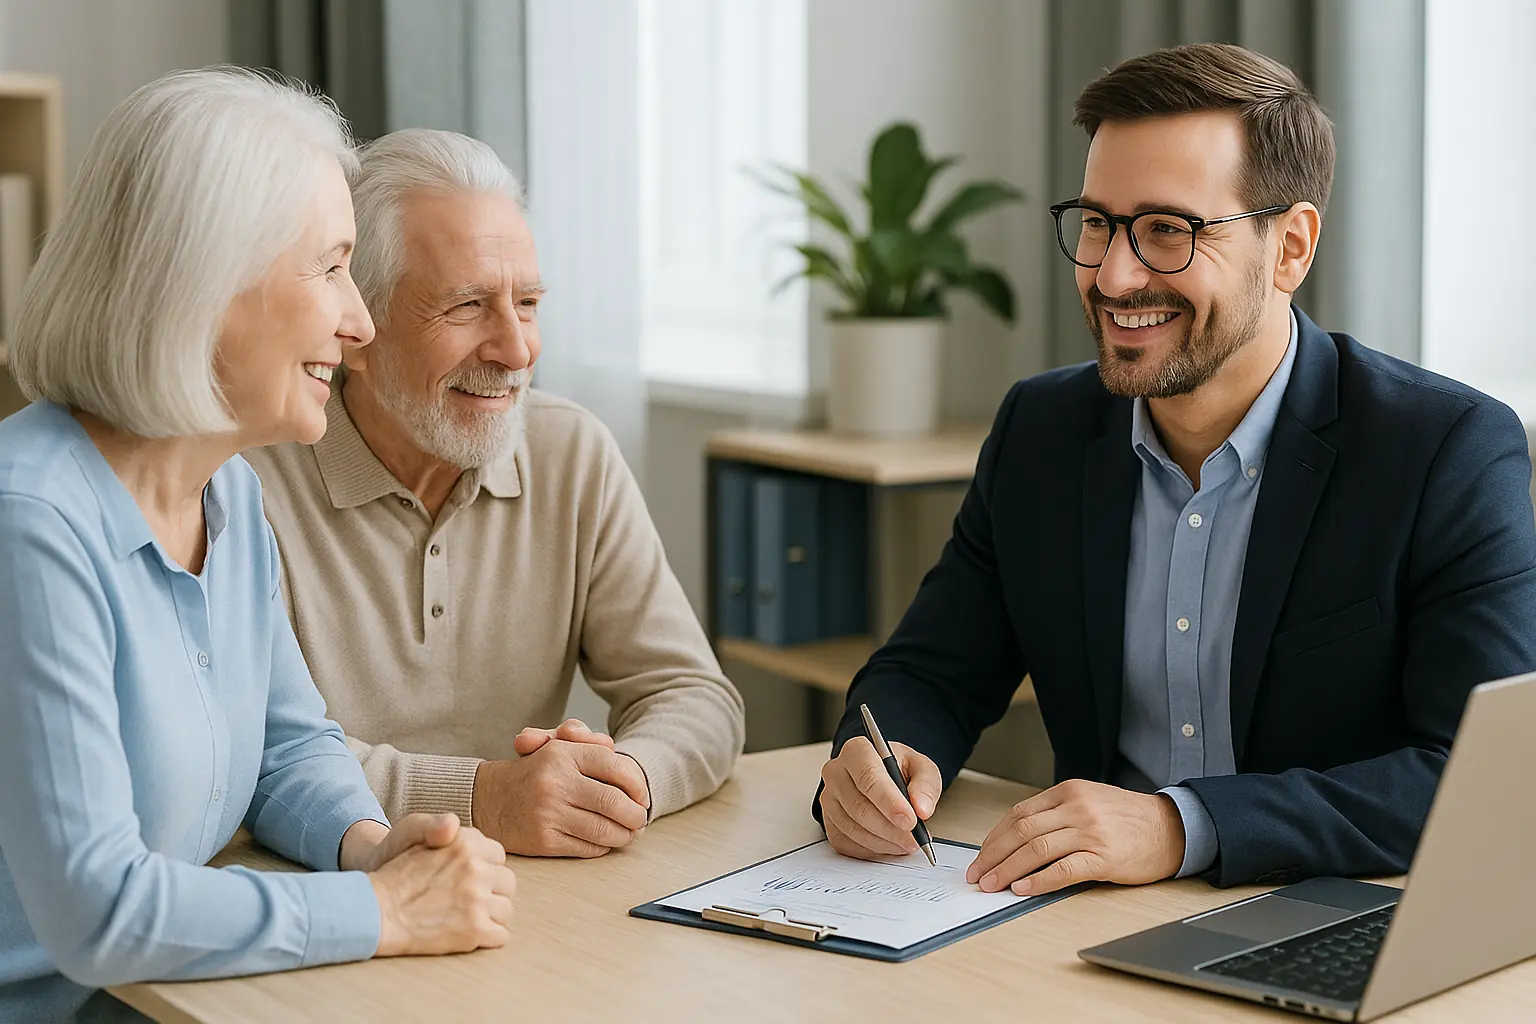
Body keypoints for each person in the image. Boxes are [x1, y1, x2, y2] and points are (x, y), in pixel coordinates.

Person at [816, 43, 1536, 895]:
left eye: (1169, 230)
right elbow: (931, 671)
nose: (1115, 275)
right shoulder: (1040, 431)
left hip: (1323, 914)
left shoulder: (1444, 450)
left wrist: (1180, 824)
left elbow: (1485, 780)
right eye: (1097, 223)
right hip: (1084, 919)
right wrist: (882, 760)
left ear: (1291, 247)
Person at [0, 70, 516, 1022]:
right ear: (205, 280)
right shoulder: (28, 523)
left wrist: (372, 847)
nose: (359, 322)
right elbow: (96, 910)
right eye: (330, 268)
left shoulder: (227, 491)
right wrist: (383, 911)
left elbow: (286, 746)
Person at [244, 128, 744, 859]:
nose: (516, 350)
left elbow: (693, 695)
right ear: (358, 329)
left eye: (528, 303)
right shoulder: (245, 483)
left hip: (529, 887)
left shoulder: (572, 452)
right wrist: (481, 798)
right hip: (330, 885)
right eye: (468, 306)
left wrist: (619, 783)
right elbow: (253, 753)